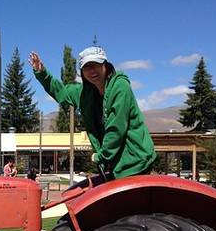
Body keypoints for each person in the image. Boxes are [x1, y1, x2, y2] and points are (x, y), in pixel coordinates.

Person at [29, 47, 156, 181]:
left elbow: (116, 129)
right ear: (82, 72)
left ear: (105, 65)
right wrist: (41, 73)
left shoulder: (120, 86)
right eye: (86, 67)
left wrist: (100, 156)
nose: (91, 71)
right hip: (114, 165)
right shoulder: (84, 93)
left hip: (135, 162)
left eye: (95, 65)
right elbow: (61, 91)